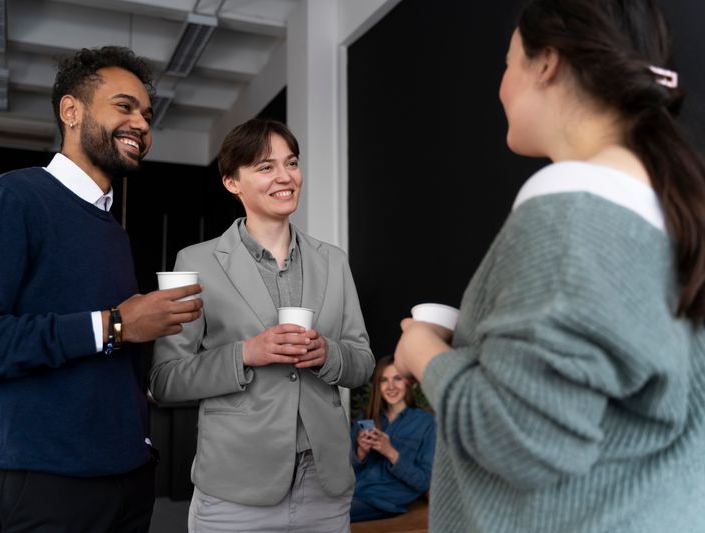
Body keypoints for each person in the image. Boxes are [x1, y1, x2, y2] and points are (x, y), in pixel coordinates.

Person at [393, 0, 705, 531]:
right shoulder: (669, 210)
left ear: (547, 64)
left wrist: (423, 352)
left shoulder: (572, 215)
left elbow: (519, 438)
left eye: (508, 62)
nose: (500, 86)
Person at [0, 46, 203, 532]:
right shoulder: (13, 199)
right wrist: (114, 325)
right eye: (124, 106)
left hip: (125, 479)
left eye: (146, 114)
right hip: (43, 488)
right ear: (70, 111)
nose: (141, 123)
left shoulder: (109, 224)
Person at [149, 118, 375, 532]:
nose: (285, 177)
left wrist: (328, 354)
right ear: (232, 182)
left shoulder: (333, 261)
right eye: (265, 167)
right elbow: (166, 380)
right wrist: (245, 354)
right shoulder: (196, 263)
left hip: (323, 486)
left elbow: (362, 363)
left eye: (291, 163)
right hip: (236, 487)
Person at [349, 355, 435, 523]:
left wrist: (391, 453)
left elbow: (425, 482)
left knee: (317, 517)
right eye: (383, 380)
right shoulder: (366, 418)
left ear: (408, 383)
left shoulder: (427, 423)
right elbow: (344, 471)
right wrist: (360, 453)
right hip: (351, 492)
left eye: (397, 379)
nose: (391, 387)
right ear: (378, 386)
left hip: (383, 501)